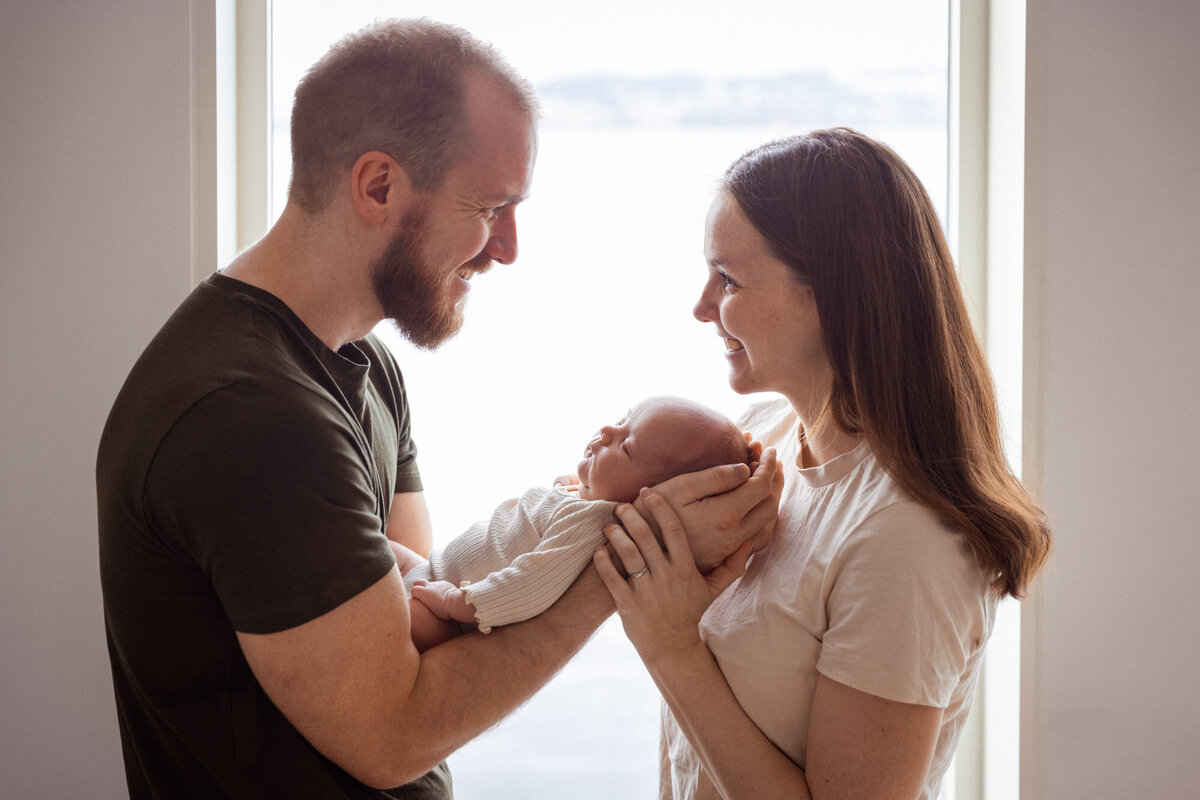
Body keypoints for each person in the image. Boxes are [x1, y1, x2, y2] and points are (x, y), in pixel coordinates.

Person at [95, 19, 781, 800]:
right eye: (490, 207)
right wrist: (628, 552)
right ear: (378, 185)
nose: (508, 248)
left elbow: (430, 622)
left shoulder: (364, 365)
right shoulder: (250, 417)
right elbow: (395, 734)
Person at [594, 128, 1053, 799]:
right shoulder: (761, 442)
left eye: (727, 279)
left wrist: (672, 651)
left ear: (831, 293)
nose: (700, 308)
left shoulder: (909, 538)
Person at [401, 396, 751, 648]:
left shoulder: (589, 529)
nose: (606, 431)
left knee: (394, 624)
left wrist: (459, 602)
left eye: (626, 445)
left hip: (446, 614)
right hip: (432, 571)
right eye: (622, 418)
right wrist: (579, 486)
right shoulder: (584, 502)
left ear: (648, 498)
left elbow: (530, 584)